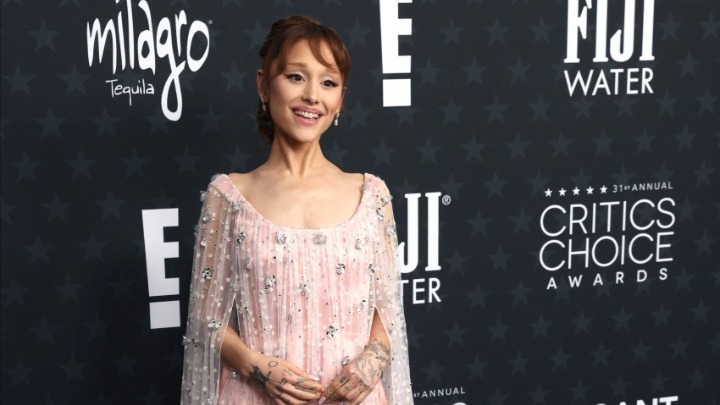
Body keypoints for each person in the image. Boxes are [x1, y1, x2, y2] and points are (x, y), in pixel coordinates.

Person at [180, 15, 413, 405]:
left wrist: (372, 361)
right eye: (295, 77)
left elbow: (389, 313)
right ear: (263, 84)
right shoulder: (229, 196)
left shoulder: (371, 196)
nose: (312, 96)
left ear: (341, 99)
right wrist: (258, 367)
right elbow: (205, 320)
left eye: (328, 83)